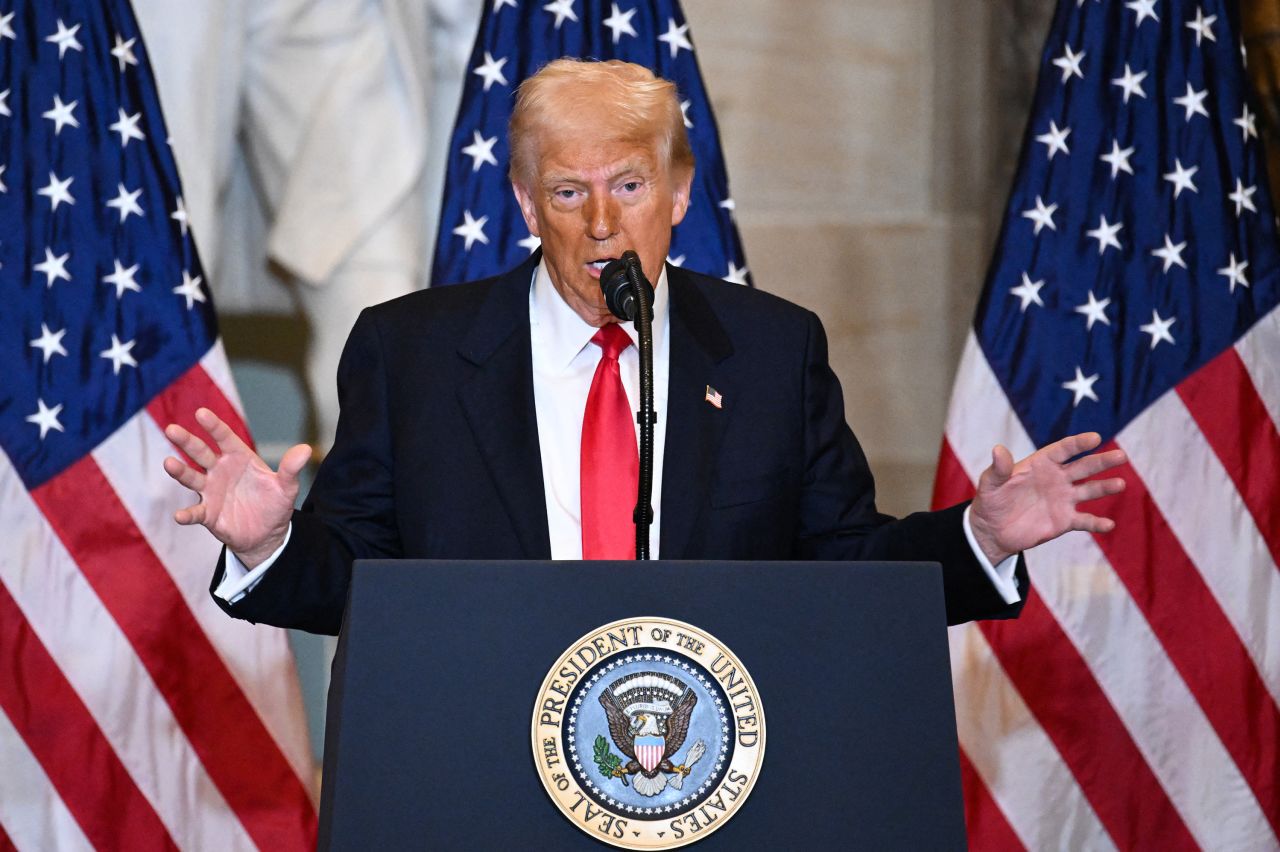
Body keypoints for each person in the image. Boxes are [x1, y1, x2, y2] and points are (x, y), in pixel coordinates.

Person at [162, 59, 1127, 636]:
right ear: (526, 205)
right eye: (568, 193)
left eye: (628, 187)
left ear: (677, 195)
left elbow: (845, 563)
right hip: (480, 774)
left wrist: (980, 537)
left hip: (710, 777)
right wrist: (272, 544)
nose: (601, 224)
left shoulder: (768, 350)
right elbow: (363, 580)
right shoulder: (410, 350)